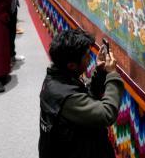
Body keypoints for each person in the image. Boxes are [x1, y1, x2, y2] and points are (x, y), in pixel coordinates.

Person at [38, 29, 123, 158]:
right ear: (72, 65)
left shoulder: (56, 77)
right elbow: (107, 114)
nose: (90, 59)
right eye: (87, 55)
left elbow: (85, 96)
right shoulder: (65, 97)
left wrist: (100, 72)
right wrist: (112, 75)